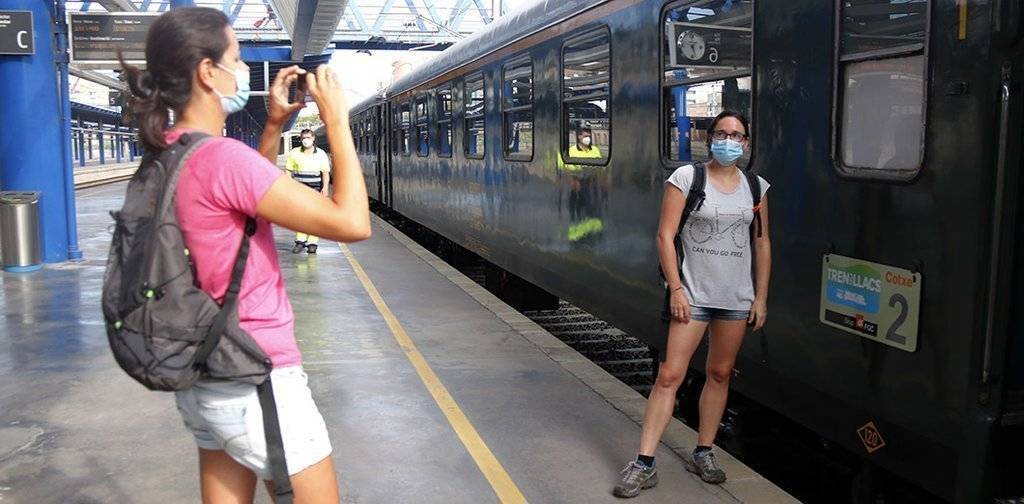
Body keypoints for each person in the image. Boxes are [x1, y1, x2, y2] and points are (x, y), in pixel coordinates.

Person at [121, 7, 369, 503]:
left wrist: (275, 123)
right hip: (259, 376)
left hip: (205, 375)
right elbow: (352, 223)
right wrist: (337, 123)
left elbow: (246, 203)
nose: (243, 72)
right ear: (208, 73)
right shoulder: (222, 159)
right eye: (236, 58)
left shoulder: (168, 154)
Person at [613, 111, 771, 498]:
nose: (729, 140)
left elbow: (762, 242)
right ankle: (644, 462)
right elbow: (665, 236)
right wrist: (676, 288)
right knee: (670, 374)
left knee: (720, 373)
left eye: (737, 135)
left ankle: (704, 451)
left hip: (735, 298)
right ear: (709, 137)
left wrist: (761, 296)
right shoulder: (686, 178)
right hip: (694, 296)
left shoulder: (756, 187)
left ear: (746, 143)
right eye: (722, 133)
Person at [286, 129, 332, 254]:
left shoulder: (321, 154)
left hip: (315, 188)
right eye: (303, 138)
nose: (306, 140)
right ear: (300, 139)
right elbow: (288, 171)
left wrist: (325, 188)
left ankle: (313, 243)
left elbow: (325, 173)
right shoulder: (294, 153)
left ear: (313, 139)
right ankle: (300, 242)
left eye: (308, 137)